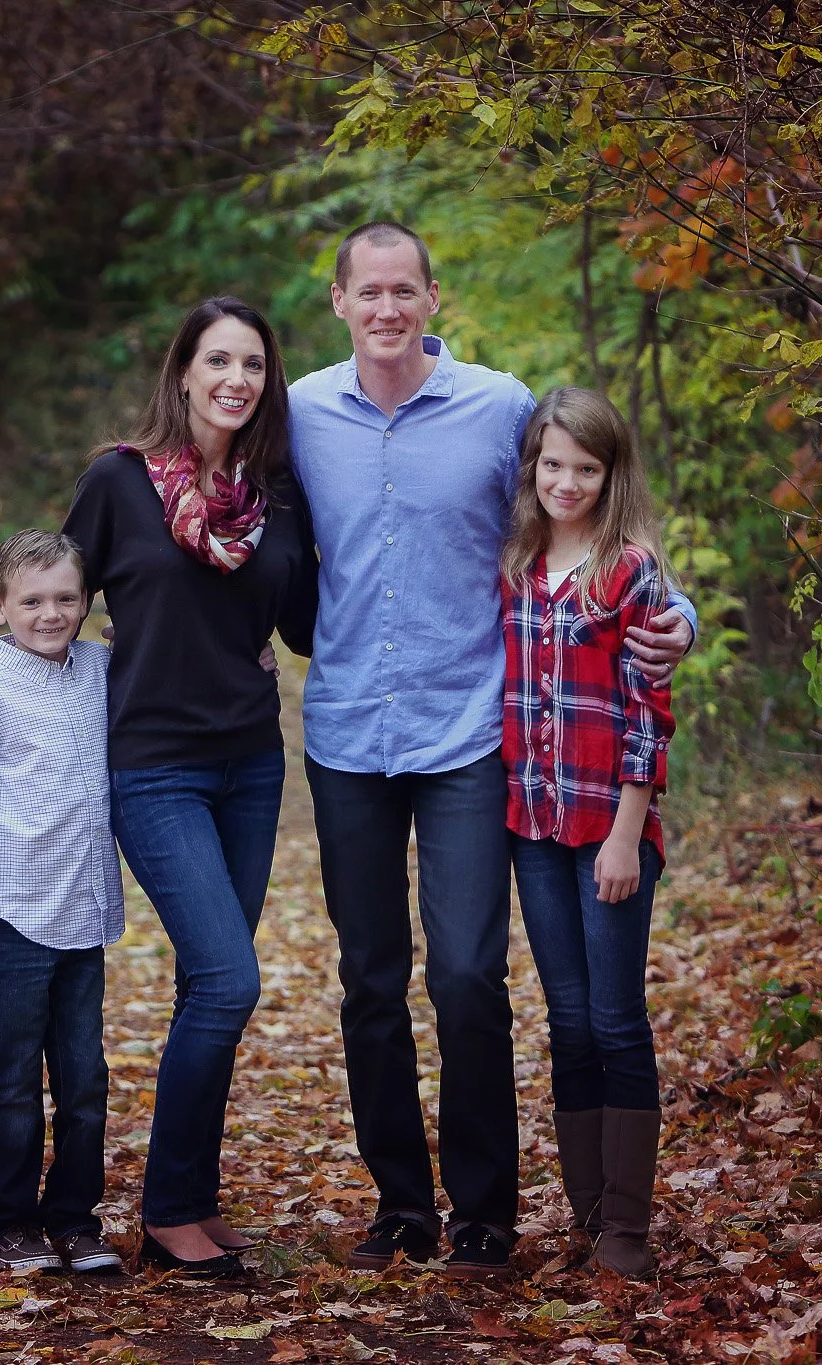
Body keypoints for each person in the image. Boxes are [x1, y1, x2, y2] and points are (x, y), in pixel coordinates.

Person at [287, 222, 696, 1278]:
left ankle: (483, 1211)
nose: (385, 309)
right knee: (370, 981)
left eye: (402, 291)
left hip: (470, 734)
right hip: (343, 735)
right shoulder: (298, 415)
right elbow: (221, 491)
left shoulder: (496, 406)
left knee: (467, 975)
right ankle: (400, 1206)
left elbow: (586, 514)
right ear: (337, 301)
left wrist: (676, 615)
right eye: (366, 292)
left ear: (433, 297)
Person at [62, 296, 316, 1278]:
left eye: (252, 364)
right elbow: (51, 604)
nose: (235, 380)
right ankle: (168, 1213)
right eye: (217, 360)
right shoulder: (117, 484)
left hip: (249, 767)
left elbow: (303, 624)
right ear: (182, 372)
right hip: (152, 766)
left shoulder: (279, 497)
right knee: (228, 979)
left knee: (206, 987)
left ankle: (191, 1199)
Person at [502, 388, 676, 1277]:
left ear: (611, 475)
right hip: (533, 825)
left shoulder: (629, 569)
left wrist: (627, 833)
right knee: (566, 1019)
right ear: (533, 466)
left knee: (615, 1019)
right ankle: (587, 1208)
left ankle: (628, 1230)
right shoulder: (517, 560)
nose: (566, 481)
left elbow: (651, 708)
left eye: (586, 467)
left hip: (609, 828)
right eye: (553, 463)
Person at [0, 528, 125, 1275]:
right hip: (8, 914)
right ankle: (9, 1224)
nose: (51, 612)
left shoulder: (102, 669)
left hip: (83, 912)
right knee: (14, 1078)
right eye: (32, 600)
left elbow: (170, 666)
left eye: (66, 597)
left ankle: (73, 1218)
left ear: (86, 602)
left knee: (85, 1078)